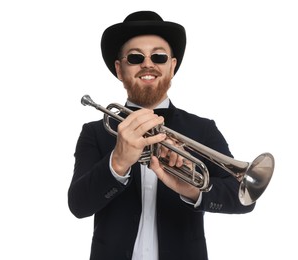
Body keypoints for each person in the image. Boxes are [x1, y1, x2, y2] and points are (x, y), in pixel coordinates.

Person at [68, 10, 255, 260]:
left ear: (172, 66)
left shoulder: (203, 129)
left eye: (158, 56)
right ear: (120, 69)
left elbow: (244, 198)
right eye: (135, 58)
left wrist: (192, 189)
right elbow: (78, 206)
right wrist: (118, 162)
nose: (148, 64)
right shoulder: (94, 132)